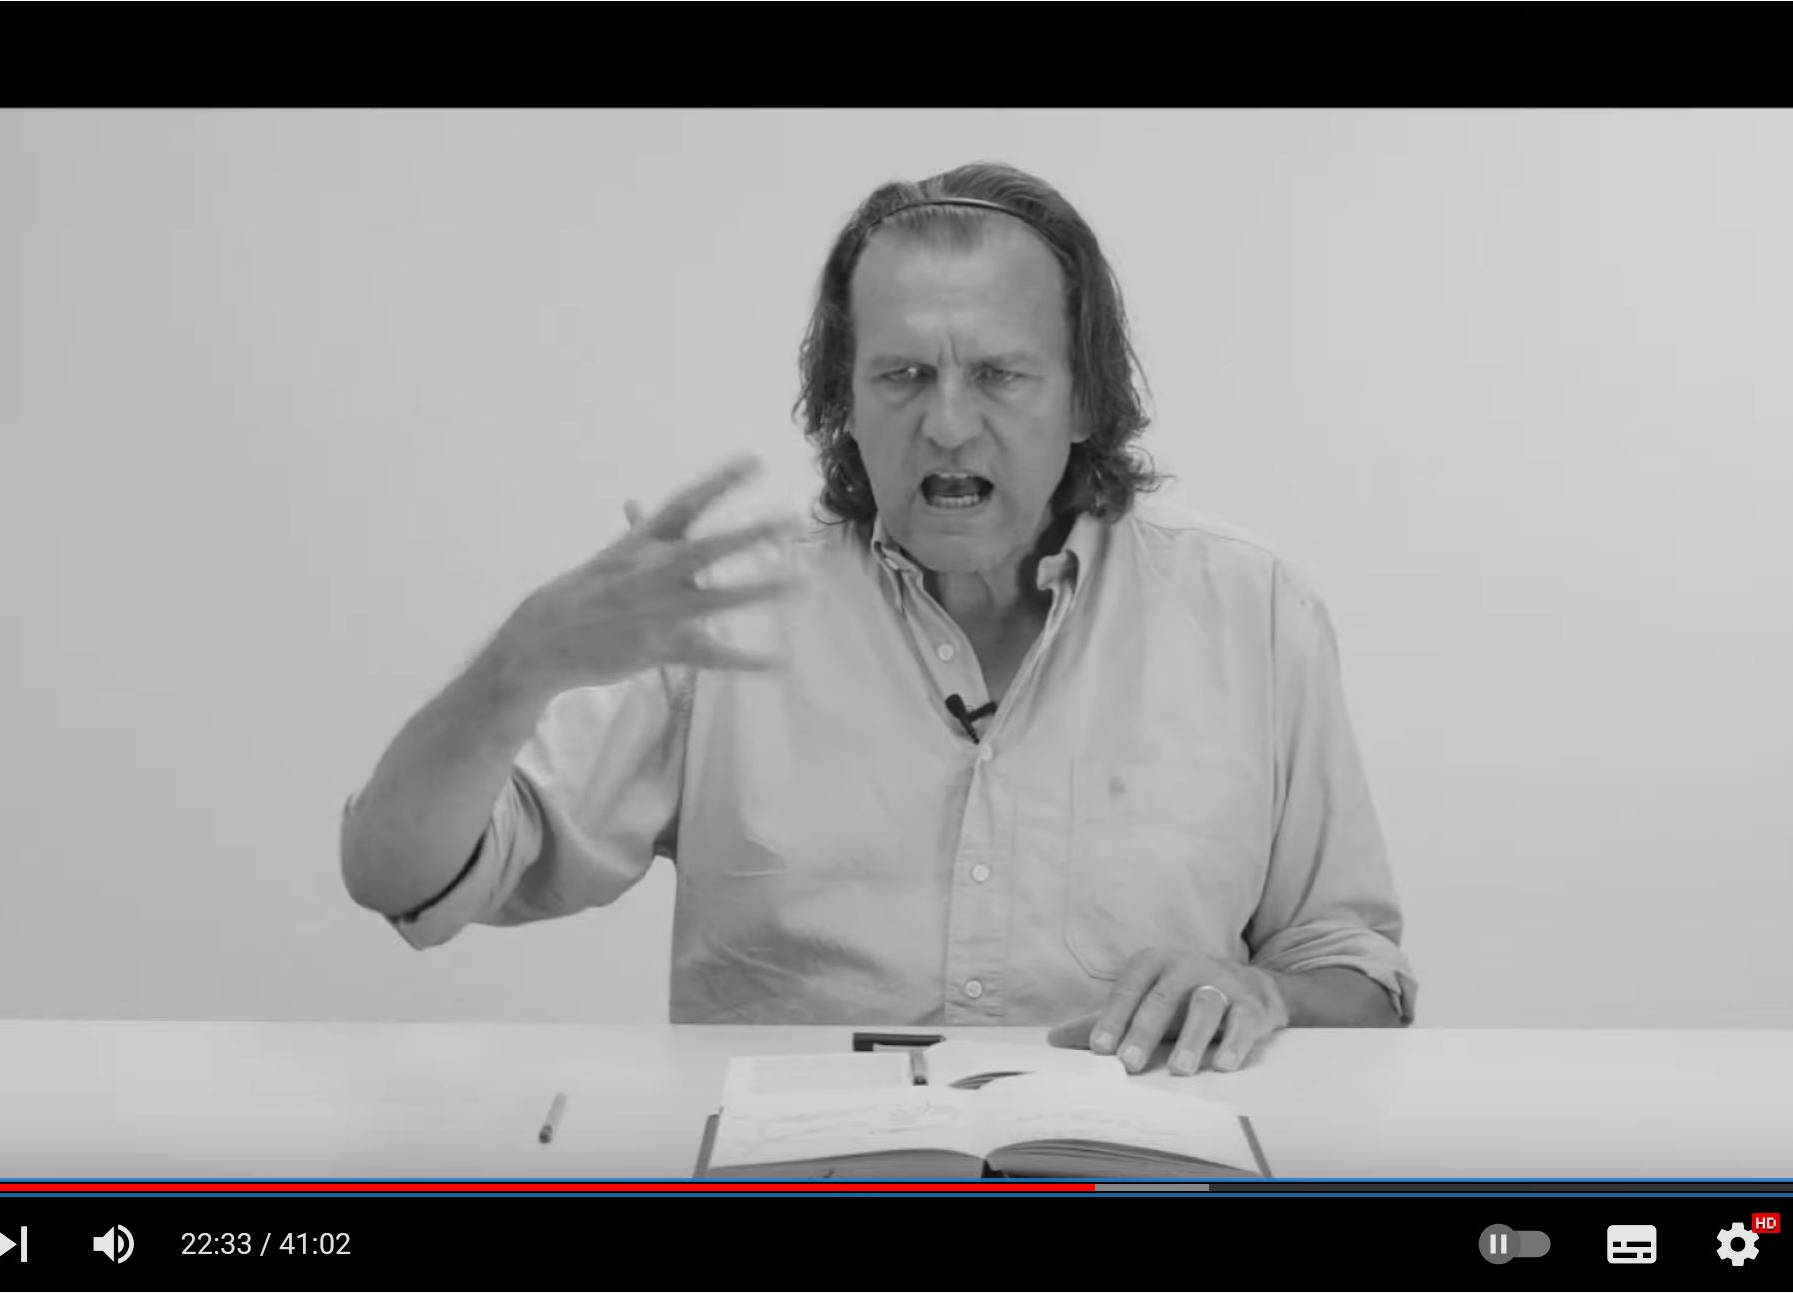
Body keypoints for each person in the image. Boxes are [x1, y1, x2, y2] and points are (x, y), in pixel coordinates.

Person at [340, 162, 1416, 1076]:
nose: (946, 424)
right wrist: (516, 668)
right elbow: (400, 877)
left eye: (998, 374)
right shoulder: (719, 618)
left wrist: (1264, 992)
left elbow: (1359, 975)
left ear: (1085, 397)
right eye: (901, 375)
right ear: (843, 402)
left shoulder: (1251, 609)